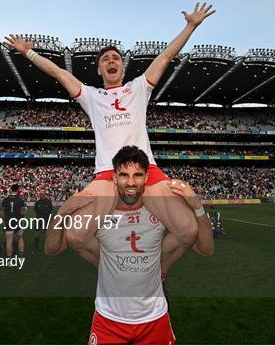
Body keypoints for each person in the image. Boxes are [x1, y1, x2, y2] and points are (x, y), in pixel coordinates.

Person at [5, 2, 216, 254]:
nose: (111, 60)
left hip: (146, 168)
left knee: (187, 230)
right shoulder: (91, 96)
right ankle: (110, 266)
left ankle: (158, 270)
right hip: (107, 172)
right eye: (105, 59)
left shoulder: (138, 88)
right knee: (75, 235)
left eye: (115, 57)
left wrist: (190, 26)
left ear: (122, 67)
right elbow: (60, 74)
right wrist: (28, 53)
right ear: (99, 69)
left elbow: (166, 56)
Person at [45, 146, 214, 344]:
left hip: (154, 318)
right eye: (124, 175)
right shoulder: (100, 215)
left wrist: (197, 207)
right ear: (114, 178)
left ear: (147, 178)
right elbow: (52, 248)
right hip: (108, 319)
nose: (131, 182)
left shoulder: (160, 213)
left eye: (138, 175)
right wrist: (62, 212)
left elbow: (206, 249)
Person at [1, 184, 27, 257]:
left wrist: (4, 220)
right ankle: (21, 257)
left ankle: (9, 259)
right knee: (20, 238)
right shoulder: (20, 200)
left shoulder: (5, 200)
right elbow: (22, 212)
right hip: (18, 220)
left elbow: (2, 212)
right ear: (18, 190)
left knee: (9, 240)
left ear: (11, 190)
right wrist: (25, 212)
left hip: (8, 221)